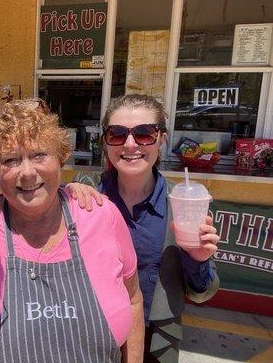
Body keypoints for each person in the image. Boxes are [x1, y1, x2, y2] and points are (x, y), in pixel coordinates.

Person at [0, 98, 144, 363]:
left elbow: (134, 299)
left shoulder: (100, 214)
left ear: (60, 158)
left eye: (39, 155)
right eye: (10, 160)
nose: (28, 172)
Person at [67, 94, 220, 363]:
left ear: (161, 138)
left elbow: (202, 291)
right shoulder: (87, 197)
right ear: (105, 140)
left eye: (144, 134)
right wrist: (66, 196)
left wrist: (199, 260)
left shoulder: (181, 203)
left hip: (158, 342)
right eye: (116, 134)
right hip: (93, 335)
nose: (130, 144)